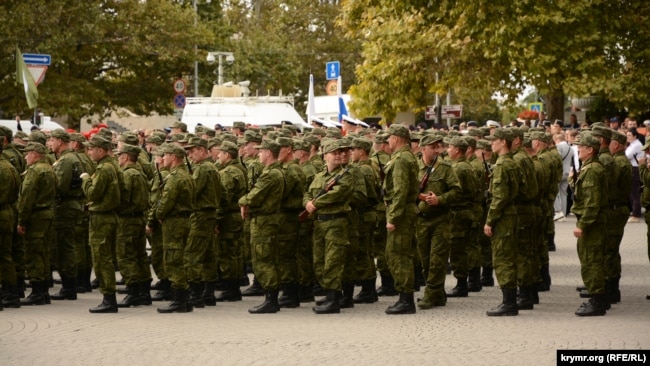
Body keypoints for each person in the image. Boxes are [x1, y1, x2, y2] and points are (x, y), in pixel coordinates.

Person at [303, 140, 353, 314]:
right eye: (335, 152)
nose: (339, 155)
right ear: (325, 156)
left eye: (341, 152)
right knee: (319, 261)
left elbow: (337, 194)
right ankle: (329, 293)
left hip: (335, 223)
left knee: (333, 261)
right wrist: (307, 203)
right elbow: (308, 193)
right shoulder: (320, 175)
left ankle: (333, 299)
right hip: (319, 223)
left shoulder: (346, 175)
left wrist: (314, 204)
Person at [238, 140, 285, 313]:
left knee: (264, 260)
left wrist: (242, 201)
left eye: (261, 151)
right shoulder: (275, 172)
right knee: (266, 259)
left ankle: (271, 300)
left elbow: (252, 196)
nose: (258, 154)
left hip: (264, 222)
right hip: (266, 220)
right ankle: (270, 298)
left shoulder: (270, 174)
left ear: (269, 153)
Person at [415, 134, 461, 309]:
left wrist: (439, 199)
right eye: (432, 147)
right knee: (425, 260)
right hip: (421, 219)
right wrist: (419, 196)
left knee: (437, 259)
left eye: (438, 147)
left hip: (440, 219)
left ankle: (430, 294)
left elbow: (457, 191)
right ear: (423, 148)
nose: (436, 151)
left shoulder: (446, 168)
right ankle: (438, 294)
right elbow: (407, 189)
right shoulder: (414, 167)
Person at [81, 136, 121, 313]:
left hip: (102, 219)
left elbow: (93, 193)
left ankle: (109, 299)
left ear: (101, 150)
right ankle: (108, 298)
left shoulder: (104, 169)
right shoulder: (111, 166)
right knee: (105, 259)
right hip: (107, 216)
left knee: (101, 260)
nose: (89, 152)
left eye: (92, 149)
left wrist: (85, 179)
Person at [570, 132, 609, 316]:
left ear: (590, 149)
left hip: (592, 224)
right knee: (590, 260)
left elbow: (592, 203)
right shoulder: (589, 168)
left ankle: (597, 302)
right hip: (592, 223)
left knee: (591, 261)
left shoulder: (593, 170)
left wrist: (582, 225)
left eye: (581, 146)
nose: (578, 149)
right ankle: (597, 299)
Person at [383, 124, 419, 315]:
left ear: (396, 138)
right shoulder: (405, 157)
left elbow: (400, 191)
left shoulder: (401, 160)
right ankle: (405, 297)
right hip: (405, 213)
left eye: (389, 137)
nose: (388, 141)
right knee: (400, 254)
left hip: (402, 215)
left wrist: (393, 217)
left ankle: (406, 300)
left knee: (398, 255)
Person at [155, 144, 195, 313]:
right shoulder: (186, 175)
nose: (163, 158)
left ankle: (179, 299)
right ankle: (184, 299)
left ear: (173, 157)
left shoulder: (175, 177)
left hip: (174, 222)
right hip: (184, 220)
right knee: (180, 257)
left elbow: (166, 202)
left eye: (165, 155)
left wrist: (159, 214)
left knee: (173, 259)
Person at [484, 128, 519, 316]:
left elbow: (499, 197)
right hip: (510, 214)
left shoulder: (502, 165)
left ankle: (509, 303)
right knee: (508, 257)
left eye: (494, 140)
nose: (491, 143)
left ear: (503, 142)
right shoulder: (511, 163)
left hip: (503, 217)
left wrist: (489, 221)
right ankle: (510, 300)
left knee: (503, 259)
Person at [48, 129, 86, 301]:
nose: (50, 143)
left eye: (52, 140)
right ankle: (69, 285)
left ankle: (69, 286)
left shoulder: (65, 160)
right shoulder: (73, 157)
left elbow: (60, 186)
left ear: (60, 141)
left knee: (64, 247)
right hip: (71, 205)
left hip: (65, 206)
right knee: (65, 245)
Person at [18, 143, 56, 306]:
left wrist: (21, 221)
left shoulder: (34, 171)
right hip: (47, 214)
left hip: (36, 217)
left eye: (27, 154)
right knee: (43, 253)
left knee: (33, 254)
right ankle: (43, 292)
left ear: (35, 154)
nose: (25, 157)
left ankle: (37, 292)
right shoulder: (49, 169)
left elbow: (27, 198)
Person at [184, 137, 220, 309]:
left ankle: (196, 294)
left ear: (201, 150)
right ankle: (208, 293)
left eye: (192, 151)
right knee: (207, 255)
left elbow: (193, 190)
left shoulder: (203, 169)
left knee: (193, 254)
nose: (190, 156)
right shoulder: (212, 168)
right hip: (209, 214)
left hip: (200, 215)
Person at [114, 144, 151, 308]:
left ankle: (133, 292)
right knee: (140, 256)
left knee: (126, 256)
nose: (117, 158)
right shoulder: (140, 173)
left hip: (127, 220)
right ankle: (144, 292)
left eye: (119, 155)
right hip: (138, 219)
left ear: (126, 157)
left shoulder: (128, 174)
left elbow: (124, 199)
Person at [446, 137, 481, 298]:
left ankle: (462, 284)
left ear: (457, 150)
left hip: (459, 213)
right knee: (469, 247)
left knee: (458, 249)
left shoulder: (459, 169)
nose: (447, 150)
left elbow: (456, 192)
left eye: (450, 147)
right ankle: (471, 280)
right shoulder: (466, 166)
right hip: (468, 211)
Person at [275, 137, 306, 308]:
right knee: (285, 255)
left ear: (288, 149)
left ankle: (290, 294)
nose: (276, 152)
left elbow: (282, 194)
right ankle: (289, 292)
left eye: (279, 148)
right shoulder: (288, 168)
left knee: (286, 256)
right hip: (287, 216)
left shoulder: (291, 170)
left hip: (289, 216)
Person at [214, 141, 247, 302]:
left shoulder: (227, 172)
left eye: (220, 153)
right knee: (234, 252)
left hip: (228, 217)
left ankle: (230, 289)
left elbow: (223, 199)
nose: (218, 155)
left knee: (227, 253)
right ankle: (233, 288)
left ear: (227, 155)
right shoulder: (239, 169)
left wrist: (217, 220)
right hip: (235, 216)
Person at [553, 132, 574, 220]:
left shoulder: (559, 146)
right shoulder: (571, 148)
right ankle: (564, 213)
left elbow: (557, 158)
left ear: (557, 140)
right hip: (567, 172)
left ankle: (558, 211)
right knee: (564, 193)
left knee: (555, 192)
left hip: (559, 172)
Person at [626, 128, 644, 223]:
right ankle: (634, 211)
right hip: (632, 168)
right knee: (631, 191)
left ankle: (636, 214)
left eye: (629, 135)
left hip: (635, 169)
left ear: (635, 136)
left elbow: (627, 155)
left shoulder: (636, 145)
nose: (627, 137)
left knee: (634, 192)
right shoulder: (632, 144)